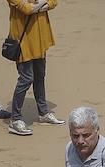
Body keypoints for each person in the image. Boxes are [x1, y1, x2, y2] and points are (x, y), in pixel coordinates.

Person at [4, 0, 63, 136]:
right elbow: (26, 9)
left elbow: (53, 2)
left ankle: (43, 113)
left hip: (40, 39)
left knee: (39, 76)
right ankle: (15, 119)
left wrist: (37, 6)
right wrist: (42, 3)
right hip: (22, 41)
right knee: (26, 79)